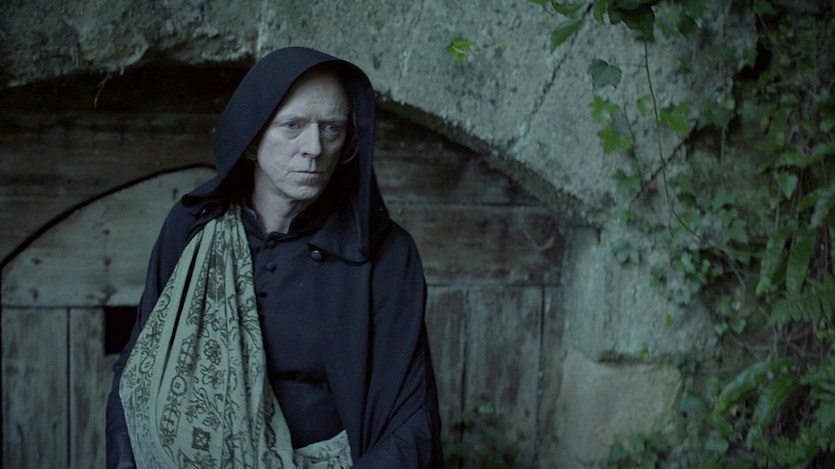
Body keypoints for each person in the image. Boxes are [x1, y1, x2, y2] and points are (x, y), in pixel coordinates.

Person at [106, 46, 444, 468]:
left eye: (332, 128)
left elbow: (411, 420)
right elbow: (139, 366)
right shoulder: (194, 229)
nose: (314, 147)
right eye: (292, 126)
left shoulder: (384, 255)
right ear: (251, 140)